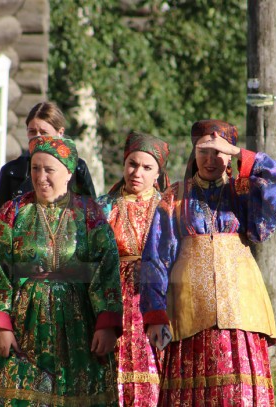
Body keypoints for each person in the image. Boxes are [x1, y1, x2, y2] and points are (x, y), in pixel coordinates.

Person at [140, 119, 276, 406]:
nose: (209, 160)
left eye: (218, 153)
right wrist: (155, 312)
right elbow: (156, 256)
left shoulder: (243, 192)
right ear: (193, 153)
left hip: (240, 309)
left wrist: (240, 153)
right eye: (203, 151)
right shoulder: (175, 197)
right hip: (188, 311)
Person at [0, 136, 123, 406]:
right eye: (35, 168)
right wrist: (0, 324)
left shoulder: (89, 215)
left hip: (80, 328)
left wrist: (106, 324)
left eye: (49, 170)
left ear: (68, 173)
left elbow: (106, 271)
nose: (41, 177)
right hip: (23, 330)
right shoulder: (13, 213)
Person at [96, 131, 170, 406]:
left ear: (158, 174)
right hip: (114, 301)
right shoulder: (104, 208)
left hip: (157, 301)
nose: (137, 172)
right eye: (132, 164)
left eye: (147, 167)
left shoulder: (168, 208)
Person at [0, 101, 96, 218]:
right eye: (32, 131)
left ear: (60, 133)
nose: (37, 137)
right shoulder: (12, 171)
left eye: (44, 132)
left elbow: (92, 213)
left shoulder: (76, 168)